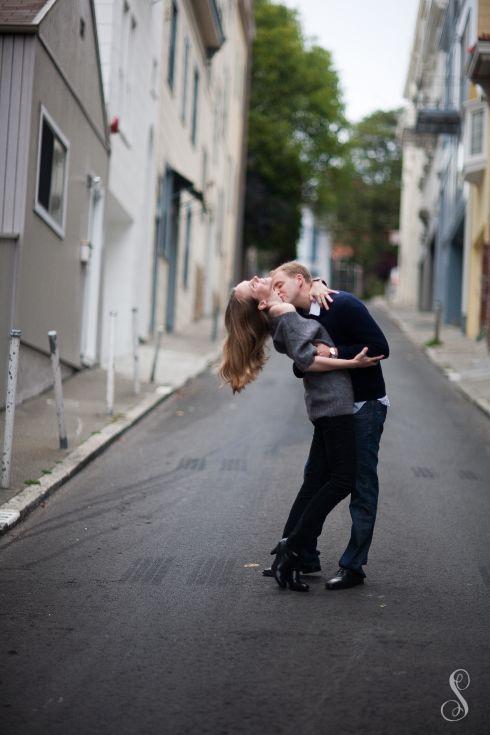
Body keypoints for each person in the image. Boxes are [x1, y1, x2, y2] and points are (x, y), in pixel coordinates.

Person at [219, 276, 384, 592]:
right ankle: (293, 546)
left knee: (318, 477)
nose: (257, 278)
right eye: (251, 286)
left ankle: (297, 551)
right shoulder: (284, 317)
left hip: (329, 403)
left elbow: (303, 297)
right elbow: (306, 362)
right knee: (344, 480)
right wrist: (351, 360)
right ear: (262, 304)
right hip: (334, 405)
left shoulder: (284, 311)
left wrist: (317, 283)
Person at [270, 262, 389, 590]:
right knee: (315, 476)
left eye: (280, 283)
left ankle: (353, 566)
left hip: (364, 404)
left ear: (299, 280)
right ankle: (302, 553)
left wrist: (335, 351)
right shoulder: (300, 315)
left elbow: (380, 348)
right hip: (333, 409)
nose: (276, 290)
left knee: (360, 485)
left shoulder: (344, 304)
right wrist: (309, 360)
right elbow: (302, 366)